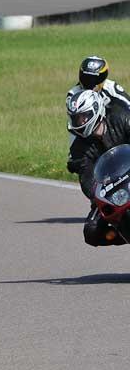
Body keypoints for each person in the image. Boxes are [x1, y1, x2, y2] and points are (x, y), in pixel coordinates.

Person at [67, 88, 130, 247]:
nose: (79, 122)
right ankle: (124, 234)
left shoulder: (121, 118)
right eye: (76, 118)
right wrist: (97, 192)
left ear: (95, 110)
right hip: (110, 192)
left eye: (83, 117)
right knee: (92, 231)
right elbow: (86, 178)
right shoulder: (79, 148)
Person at [66, 56, 130, 113]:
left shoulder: (111, 88)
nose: (90, 83)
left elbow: (128, 103)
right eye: (86, 78)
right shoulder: (73, 94)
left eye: (95, 79)